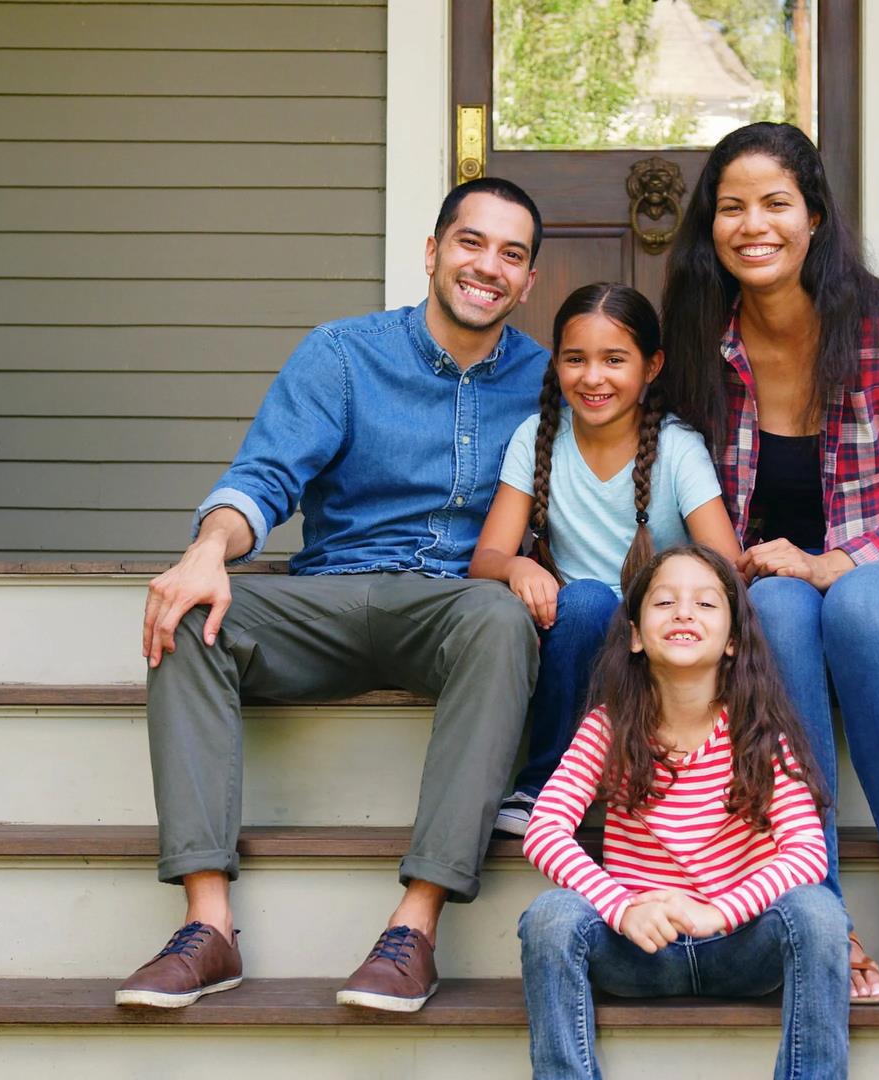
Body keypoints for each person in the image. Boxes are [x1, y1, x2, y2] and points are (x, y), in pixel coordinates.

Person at [113, 177, 551, 1013]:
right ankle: (208, 929)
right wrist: (207, 551)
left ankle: (413, 930)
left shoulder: (547, 380)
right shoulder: (343, 354)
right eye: (470, 242)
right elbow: (267, 476)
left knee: (501, 620)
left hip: (454, 612)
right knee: (190, 613)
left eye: (511, 254)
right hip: (332, 597)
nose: (487, 266)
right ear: (432, 252)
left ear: (528, 282)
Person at [660, 122, 879, 1005]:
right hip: (793, 620)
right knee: (770, 611)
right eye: (731, 207)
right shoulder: (705, 343)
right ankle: (820, 916)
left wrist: (835, 559)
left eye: (775, 202)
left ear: (815, 215)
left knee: (853, 601)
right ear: (710, 227)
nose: (753, 224)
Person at [518, 545, 848, 1079]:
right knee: (551, 916)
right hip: (638, 948)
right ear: (634, 634)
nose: (684, 613)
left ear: (735, 641)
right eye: (665, 601)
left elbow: (808, 856)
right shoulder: (607, 727)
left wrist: (717, 913)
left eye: (706, 604)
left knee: (818, 911)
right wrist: (622, 908)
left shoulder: (760, 734)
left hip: (741, 945)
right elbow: (545, 829)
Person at [470, 283, 739, 837]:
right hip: (573, 633)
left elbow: (726, 566)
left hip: (661, 636)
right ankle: (542, 784)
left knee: (611, 605)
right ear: (557, 364)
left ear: (651, 365)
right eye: (576, 359)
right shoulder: (537, 438)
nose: (593, 378)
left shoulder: (676, 447)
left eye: (614, 360)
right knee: (588, 600)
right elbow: (486, 557)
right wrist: (519, 566)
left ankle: (670, 781)